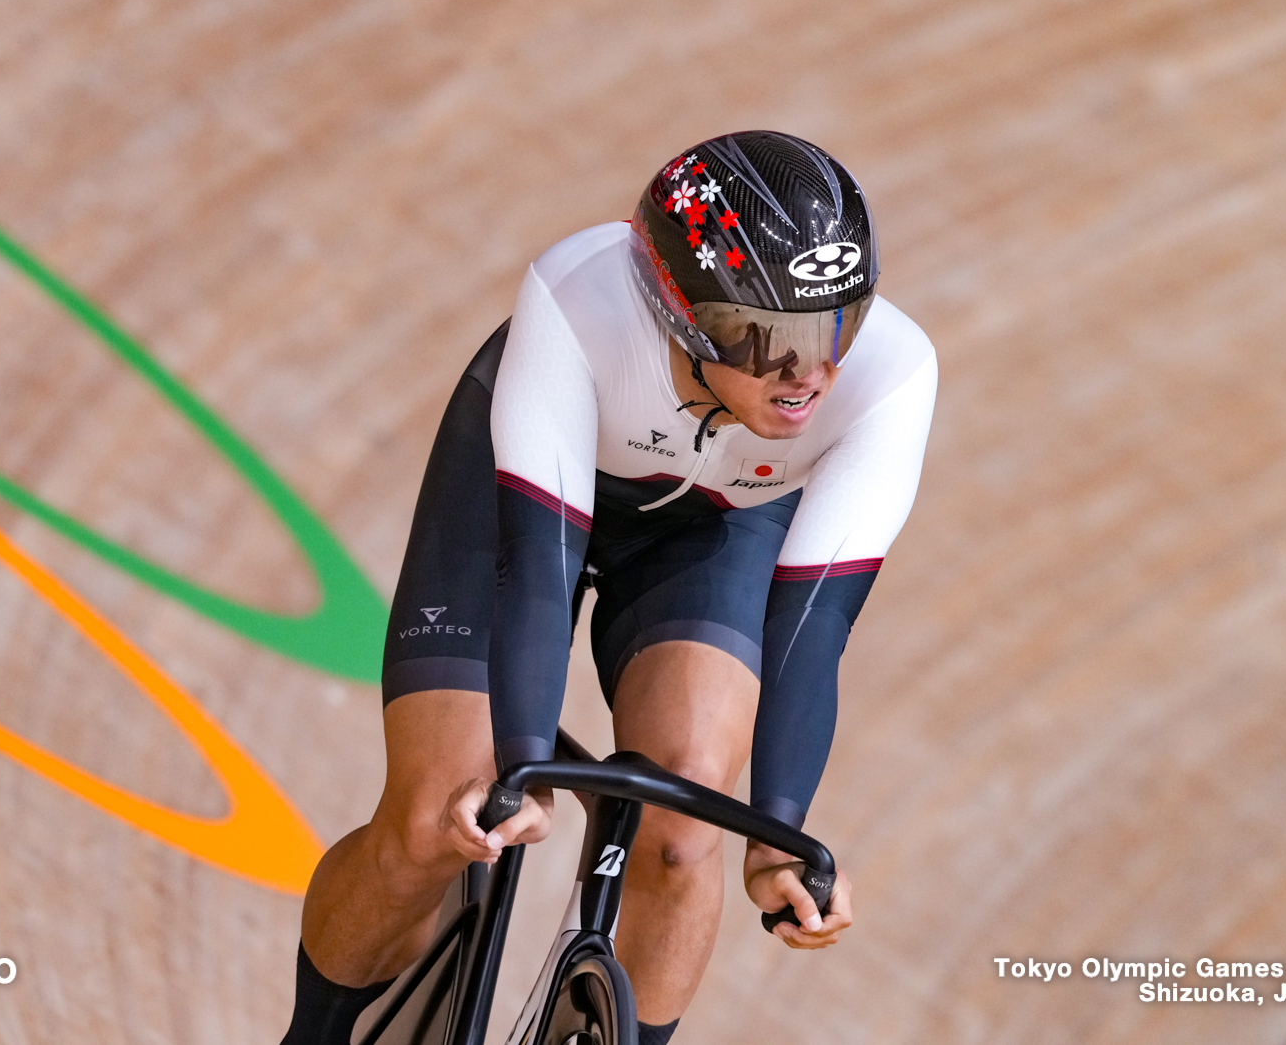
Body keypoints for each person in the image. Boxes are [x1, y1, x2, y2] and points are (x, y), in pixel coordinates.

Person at [281, 131, 937, 1045]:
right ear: (679, 312)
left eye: (836, 327)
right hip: (526, 510)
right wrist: (515, 757)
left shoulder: (894, 375)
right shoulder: (580, 298)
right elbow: (538, 572)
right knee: (436, 818)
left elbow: (810, 626)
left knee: (683, 828)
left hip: (716, 529)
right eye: (768, 340)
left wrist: (780, 833)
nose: (811, 375)